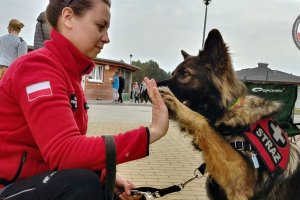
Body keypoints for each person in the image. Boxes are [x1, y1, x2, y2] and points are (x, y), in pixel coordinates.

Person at [0, 0, 169, 199]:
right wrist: (151, 133)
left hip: (39, 181)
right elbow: (65, 152)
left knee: (106, 189)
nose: (106, 38)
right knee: (82, 185)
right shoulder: (37, 67)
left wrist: (106, 175)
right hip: (8, 186)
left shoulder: (70, 73)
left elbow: (66, 151)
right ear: (68, 18)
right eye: (100, 26)